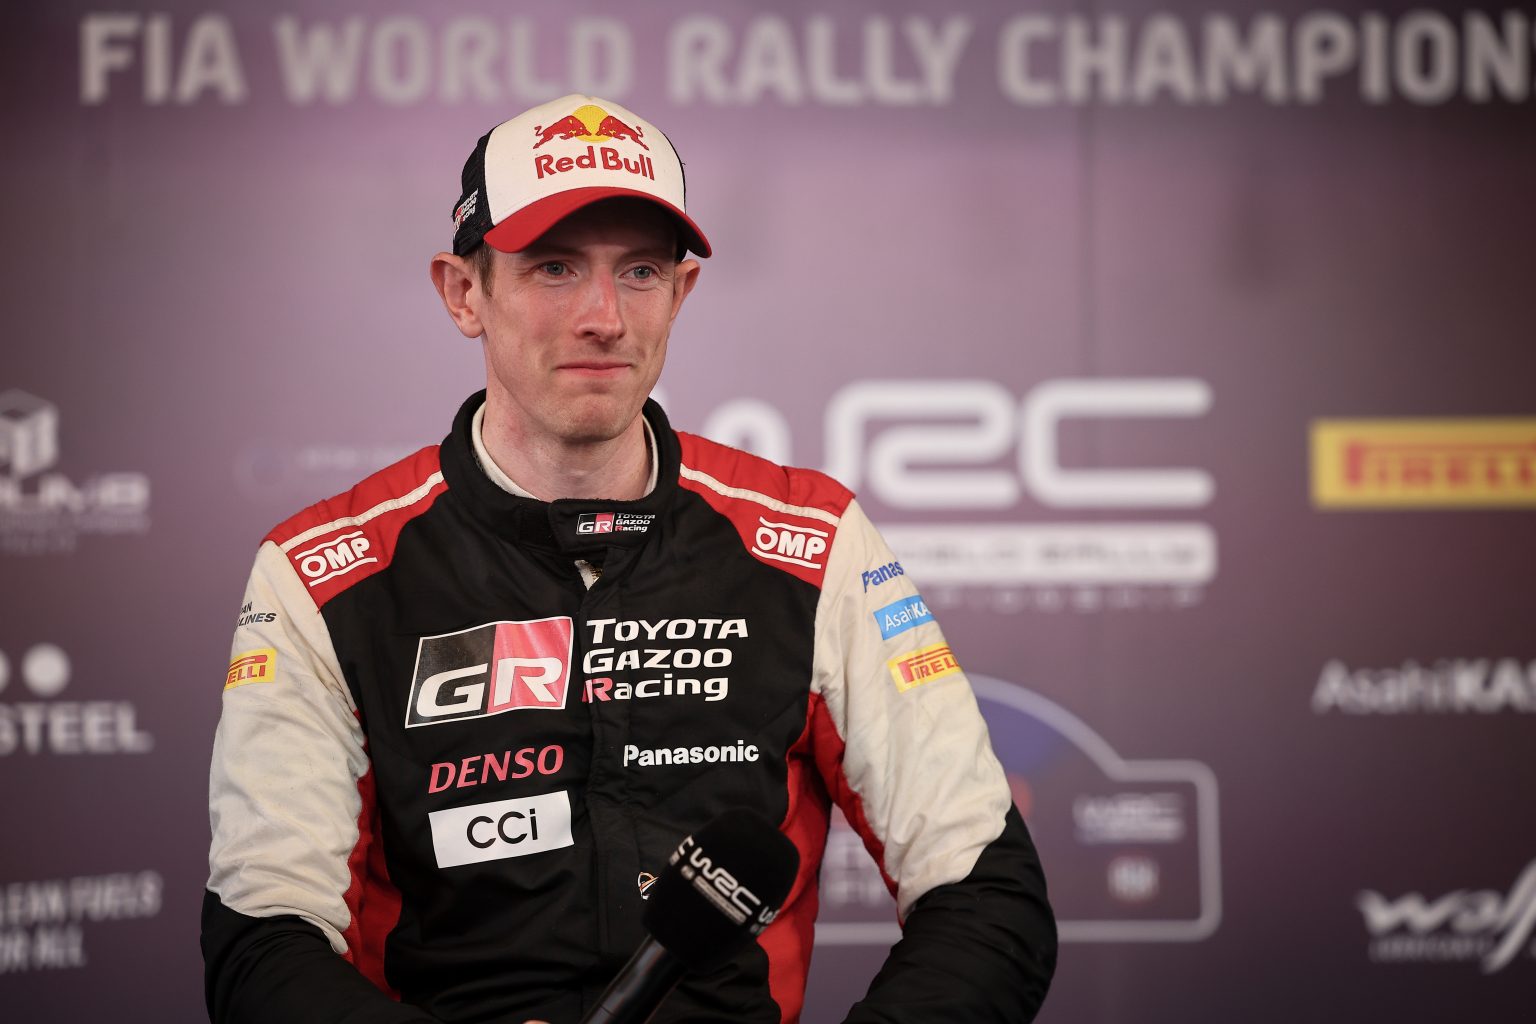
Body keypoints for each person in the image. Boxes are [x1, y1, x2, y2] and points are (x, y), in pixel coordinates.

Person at [202, 94, 1056, 1024]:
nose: (604, 317)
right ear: (463, 292)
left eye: (640, 270)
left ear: (681, 294)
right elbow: (264, 938)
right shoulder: (322, 574)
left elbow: (984, 890)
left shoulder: (813, 543)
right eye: (554, 268)